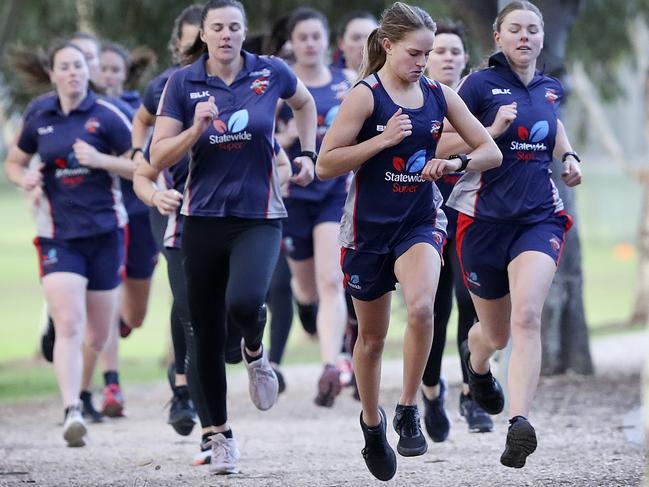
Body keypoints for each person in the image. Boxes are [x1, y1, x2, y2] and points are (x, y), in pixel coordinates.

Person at [317, 2, 502, 480]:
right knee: (372, 338)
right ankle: (372, 425)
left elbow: (489, 150)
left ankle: (406, 408)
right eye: (415, 53)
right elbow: (326, 163)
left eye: (429, 53)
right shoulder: (366, 95)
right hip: (365, 232)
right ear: (387, 46)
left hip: (419, 221)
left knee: (422, 309)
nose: (422, 62)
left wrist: (454, 164)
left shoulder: (439, 96)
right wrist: (380, 141)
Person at [149, 0, 317, 475]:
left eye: (235, 27)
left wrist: (306, 153)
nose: (226, 34)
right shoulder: (181, 84)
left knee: (245, 302)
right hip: (200, 220)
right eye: (217, 27)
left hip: (259, 215)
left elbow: (303, 104)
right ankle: (219, 435)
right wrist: (195, 130)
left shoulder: (272, 73)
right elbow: (158, 156)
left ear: (245, 33)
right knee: (203, 334)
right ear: (203, 33)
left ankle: (255, 352)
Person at [438, 0, 582, 469]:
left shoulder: (550, 87)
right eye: (515, 29)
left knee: (526, 318)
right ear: (497, 38)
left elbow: (551, 122)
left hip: (539, 218)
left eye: (533, 29)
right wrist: (488, 130)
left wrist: (568, 156)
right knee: (495, 334)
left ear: (542, 38)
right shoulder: (477, 85)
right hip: (481, 223)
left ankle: (519, 423)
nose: (525, 36)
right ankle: (475, 363)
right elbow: (441, 142)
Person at [4, 42, 133, 447]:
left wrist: (101, 160)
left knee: (97, 334)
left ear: (87, 71)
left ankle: (83, 390)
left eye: (79, 65)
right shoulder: (39, 114)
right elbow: (14, 161)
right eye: (65, 66)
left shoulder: (108, 116)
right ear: (53, 72)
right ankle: (71, 409)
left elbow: (141, 165)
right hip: (57, 234)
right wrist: (22, 178)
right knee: (68, 322)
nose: (74, 72)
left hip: (105, 232)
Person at [131, 3, 207, 458]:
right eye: (194, 37)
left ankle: (198, 371)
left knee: (214, 298)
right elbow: (143, 127)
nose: (204, 43)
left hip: (225, 206)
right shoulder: (165, 86)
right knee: (186, 295)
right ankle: (182, 386)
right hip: (170, 200)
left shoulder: (242, 81)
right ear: (178, 43)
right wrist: (142, 160)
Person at [275, 7, 354, 408]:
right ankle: (311, 316)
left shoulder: (347, 84)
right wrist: (284, 135)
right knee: (305, 289)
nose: (310, 43)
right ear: (292, 43)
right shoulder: (278, 85)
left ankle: (332, 363)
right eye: (302, 37)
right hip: (292, 197)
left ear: (328, 41)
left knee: (330, 281)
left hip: (333, 193)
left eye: (316, 36)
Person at [420, 21, 493, 443]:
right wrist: (480, 137)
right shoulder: (417, 98)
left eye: (455, 51)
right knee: (433, 309)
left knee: (472, 303)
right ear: (426, 56)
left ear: (466, 58)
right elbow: (425, 148)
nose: (448, 57)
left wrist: (474, 140)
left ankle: (471, 391)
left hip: (472, 214)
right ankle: (431, 390)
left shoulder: (478, 97)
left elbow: (489, 152)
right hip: (425, 217)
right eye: (439, 50)